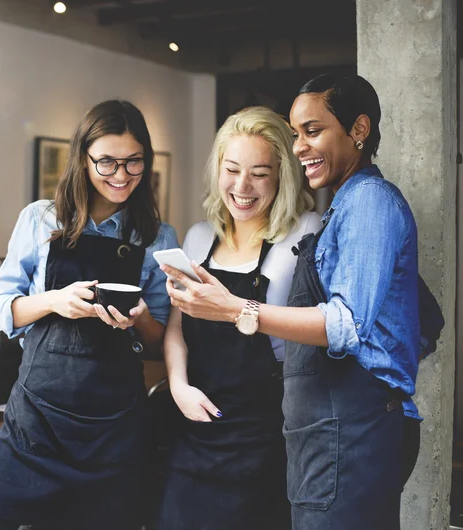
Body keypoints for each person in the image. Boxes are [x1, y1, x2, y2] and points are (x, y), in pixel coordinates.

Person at [161, 74, 422, 530]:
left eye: (312, 131)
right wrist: (179, 382)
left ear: (358, 130)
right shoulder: (346, 205)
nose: (301, 146)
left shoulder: (365, 206)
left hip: (346, 422)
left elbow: (344, 325)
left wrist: (235, 309)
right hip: (307, 424)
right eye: (297, 134)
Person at [0, 100, 178, 530]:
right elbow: (1, 308)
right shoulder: (41, 219)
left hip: (113, 430)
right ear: (82, 158)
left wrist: (139, 317)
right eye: (107, 162)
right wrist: (54, 301)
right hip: (36, 423)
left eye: (134, 163)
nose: (121, 176)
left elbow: (158, 337)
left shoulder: (155, 235)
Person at [155, 106, 321, 530]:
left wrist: (240, 310)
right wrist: (178, 387)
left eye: (260, 173)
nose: (242, 186)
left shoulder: (304, 233)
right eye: (231, 169)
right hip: (193, 422)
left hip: (266, 432)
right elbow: (178, 329)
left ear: (283, 175)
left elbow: (319, 327)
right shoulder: (197, 237)